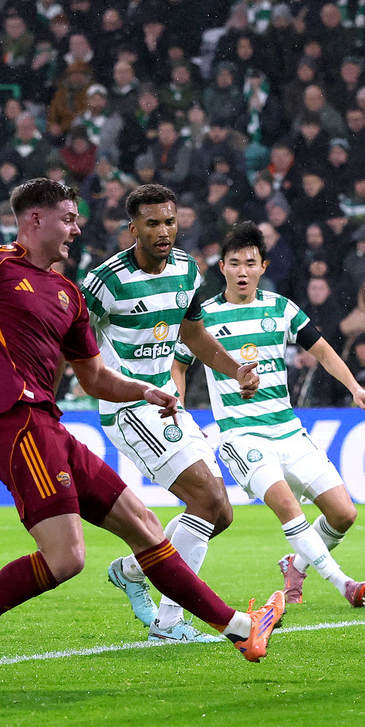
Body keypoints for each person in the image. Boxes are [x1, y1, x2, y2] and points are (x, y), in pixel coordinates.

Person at [0, 179, 285, 690]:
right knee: (68, 559)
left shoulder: (67, 294)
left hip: (49, 425)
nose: (77, 229)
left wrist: (146, 391)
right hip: (13, 423)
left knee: (145, 526)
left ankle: (240, 629)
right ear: (34, 220)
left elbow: (95, 377)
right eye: (68, 219)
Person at [80, 184, 265, 642]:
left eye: (169, 221)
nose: (164, 231)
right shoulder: (106, 282)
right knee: (206, 500)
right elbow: (70, 339)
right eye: (152, 223)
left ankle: (132, 568)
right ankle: (168, 624)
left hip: (167, 403)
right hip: (128, 406)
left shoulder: (186, 268)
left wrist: (235, 367)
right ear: (133, 229)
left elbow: (194, 335)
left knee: (220, 513)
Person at [173, 221, 365, 608]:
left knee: (344, 514)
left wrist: (355, 387)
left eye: (249, 263)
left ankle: (295, 564)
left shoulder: (281, 309)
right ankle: (344, 582)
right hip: (242, 435)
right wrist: (179, 412)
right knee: (288, 507)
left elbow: (322, 351)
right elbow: (179, 366)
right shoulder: (205, 318)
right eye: (234, 263)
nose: (241, 271)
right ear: (222, 267)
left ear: (263, 267)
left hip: (288, 431)